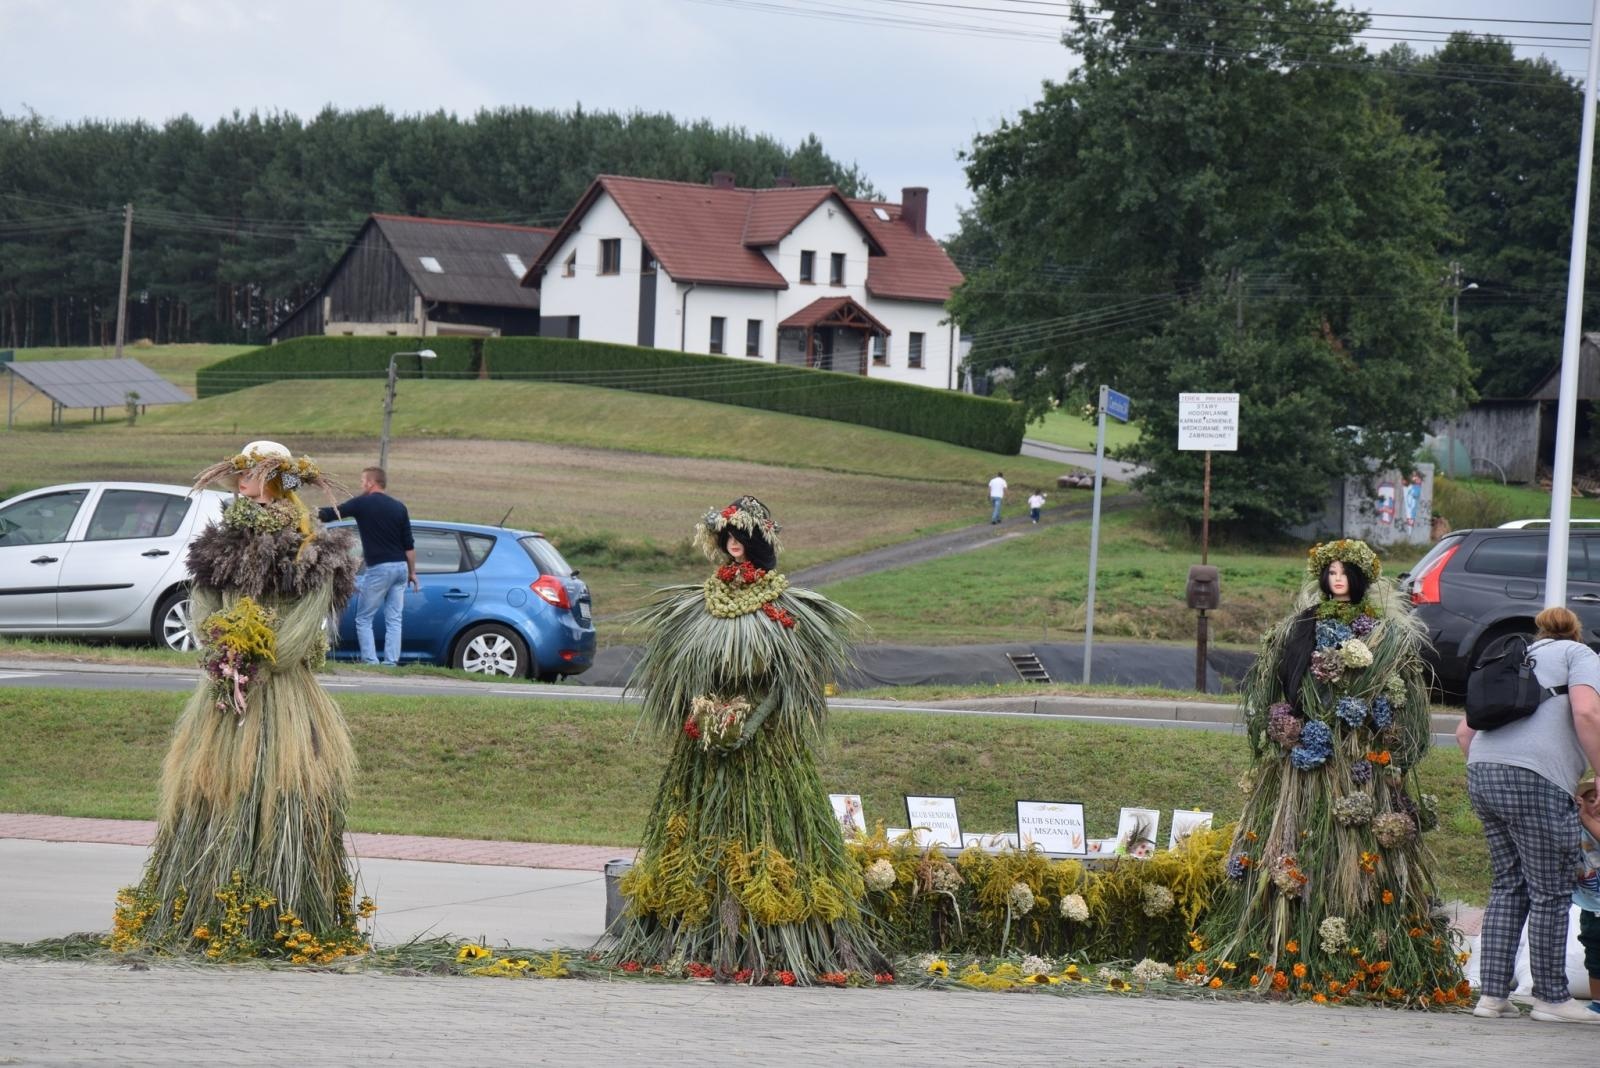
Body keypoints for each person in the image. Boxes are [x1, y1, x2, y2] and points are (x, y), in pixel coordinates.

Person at [603, 496, 887, 983]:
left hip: (766, 747)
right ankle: (691, 931)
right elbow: (686, 665)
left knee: (766, 832)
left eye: (740, 536)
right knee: (698, 830)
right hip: (707, 742)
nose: (732, 544)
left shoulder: (785, 607)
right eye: (726, 537)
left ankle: (775, 937)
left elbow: (788, 679)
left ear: (758, 542)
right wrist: (703, 712)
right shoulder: (703, 601)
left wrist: (751, 723)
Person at [111, 441, 366, 959]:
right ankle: (201, 906)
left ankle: (284, 907)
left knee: (282, 786)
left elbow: (310, 610)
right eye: (238, 471)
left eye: (249, 472)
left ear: (275, 478)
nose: (240, 480)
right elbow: (203, 599)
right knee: (214, 782)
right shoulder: (221, 540)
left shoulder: (309, 545)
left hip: (281, 689)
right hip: (228, 686)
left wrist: (264, 654)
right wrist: (224, 644)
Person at [1193, 539, 1464, 1006]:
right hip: (1307, 760)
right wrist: (1292, 720)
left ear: (1359, 580)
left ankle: (1366, 942)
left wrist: (1374, 727)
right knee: (1300, 835)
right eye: (1330, 573)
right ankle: (1280, 943)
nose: (1336, 580)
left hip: (1355, 761)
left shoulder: (1384, 634)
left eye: (1344, 573)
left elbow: (1396, 699)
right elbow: (1284, 677)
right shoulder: (1303, 626)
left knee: (1357, 846)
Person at [1457, 606, 1600, 1024]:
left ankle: (1493, 997)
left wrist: (1502, 768)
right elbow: (1587, 712)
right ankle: (1551, 998)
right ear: (1576, 634)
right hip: (1535, 782)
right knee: (1551, 891)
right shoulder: (1580, 656)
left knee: (1507, 886)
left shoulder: (1513, 657)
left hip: (1482, 775)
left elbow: (1465, 732)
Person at [317, 467, 416, 666]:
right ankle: (391, 662)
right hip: (401, 568)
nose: (361, 485)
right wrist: (412, 572)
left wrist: (308, 513)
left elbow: (332, 513)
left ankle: (371, 661)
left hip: (380, 568)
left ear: (371, 483)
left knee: (364, 618)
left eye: (363, 481)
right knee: (394, 618)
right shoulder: (399, 507)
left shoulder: (362, 504)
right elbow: (409, 545)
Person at [1574, 775, 1600, 1015]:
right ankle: (1598, 1002)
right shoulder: (1577, 827)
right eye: (1591, 799)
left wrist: (1585, 817)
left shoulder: (1587, 822)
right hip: (1592, 906)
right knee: (1594, 952)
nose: (1597, 803)